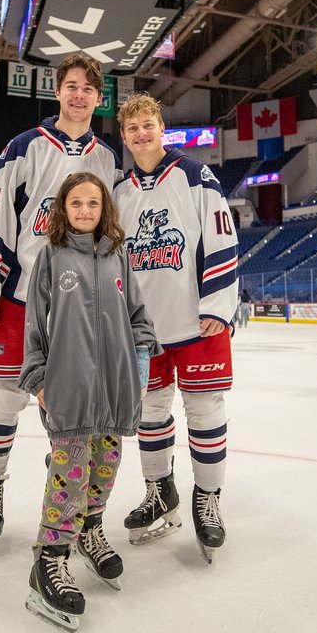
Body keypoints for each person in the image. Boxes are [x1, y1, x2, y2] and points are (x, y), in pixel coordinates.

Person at [0, 52, 123, 551]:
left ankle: (72, 503)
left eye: (89, 89)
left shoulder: (107, 159)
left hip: (81, 306)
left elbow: (111, 231)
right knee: (4, 398)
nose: (79, 95)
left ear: (99, 101)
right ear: (58, 91)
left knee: (74, 411)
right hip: (19, 296)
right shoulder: (24, 147)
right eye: (71, 85)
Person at [19, 172, 160, 631]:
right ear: (63, 208)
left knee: (106, 464)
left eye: (93, 204)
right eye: (75, 203)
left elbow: (139, 318)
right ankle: (50, 558)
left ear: (105, 210)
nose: (84, 210)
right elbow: (34, 327)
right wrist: (39, 378)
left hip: (115, 389)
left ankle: (89, 529)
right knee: (70, 469)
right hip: (69, 387)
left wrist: (139, 371)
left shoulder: (119, 258)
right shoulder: (51, 257)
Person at [113, 93, 237, 560]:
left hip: (196, 320)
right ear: (124, 138)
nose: (141, 134)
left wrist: (218, 305)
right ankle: (159, 489)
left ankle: (207, 500)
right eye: (132, 129)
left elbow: (223, 236)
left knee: (204, 411)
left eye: (148, 124)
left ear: (161, 127)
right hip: (144, 327)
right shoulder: (119, 191)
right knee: (150, 412)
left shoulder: (195, 176)